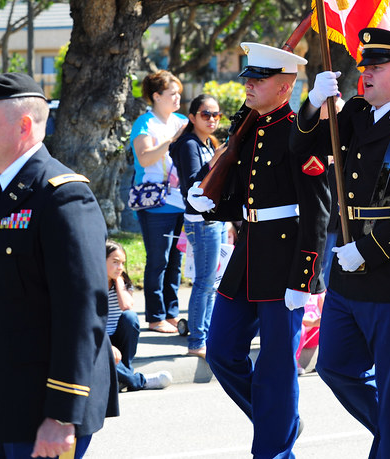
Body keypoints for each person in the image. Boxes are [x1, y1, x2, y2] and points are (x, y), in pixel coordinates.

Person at [292, 28, 390, 458]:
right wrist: (312, 104)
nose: (367, 74)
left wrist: (370, 250)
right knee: (335, 367)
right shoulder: (358, 113)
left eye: (376, 67)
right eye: (365, 67)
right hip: (347, 267)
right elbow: (301, 147)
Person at [0, 73, 116, 459]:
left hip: (47, 400)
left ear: (24, 126)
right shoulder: (4, 189)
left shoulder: (63, 195)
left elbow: (82, 311)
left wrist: (62, 413)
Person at [189, 42, 329, 459]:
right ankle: (279, 423)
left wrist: (304, 277)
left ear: (285, 87)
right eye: (248, 78)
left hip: (285, 261)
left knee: (277, 367)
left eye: (259, 79)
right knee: (221, 351)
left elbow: (317, 211)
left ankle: (274, 450)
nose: (248, 85)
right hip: (248, 255)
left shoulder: (300, 132)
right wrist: (209, 203)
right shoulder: (249, 127)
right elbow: (243, 198)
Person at [130, 70, 188, 334]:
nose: (177, 98)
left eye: (179, 93)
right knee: (158, 260)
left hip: (181, 201)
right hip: (154, 202)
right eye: (172, 93)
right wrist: (172, 140)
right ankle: (155, 316)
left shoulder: (182, 120)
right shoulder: (144, 123)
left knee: (176, 260)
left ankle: (171, 313)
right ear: (156, 96)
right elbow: (144, 158)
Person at [170, 94, 227, 357]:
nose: (212, 119)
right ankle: (196, 342)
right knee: (205, 282)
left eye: (217, 114)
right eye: (206, 114)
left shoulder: (206, 143)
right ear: (192, 117)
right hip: (202, 221)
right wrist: (216, 158)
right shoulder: (189, 145)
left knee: (212, 282)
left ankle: (207, 335)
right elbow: (193, 182)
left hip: (215, 219)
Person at [105, 241, 173, 392]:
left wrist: (118, 281)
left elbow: (126, 305)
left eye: (122, 263)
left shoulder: (123, 282)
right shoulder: (90, 284)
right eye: (115, 262)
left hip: (118, 340)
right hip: (99, 339)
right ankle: (137, 381)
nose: (120, 267)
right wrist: (106, 345)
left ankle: (123, 375)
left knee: (130, 318)